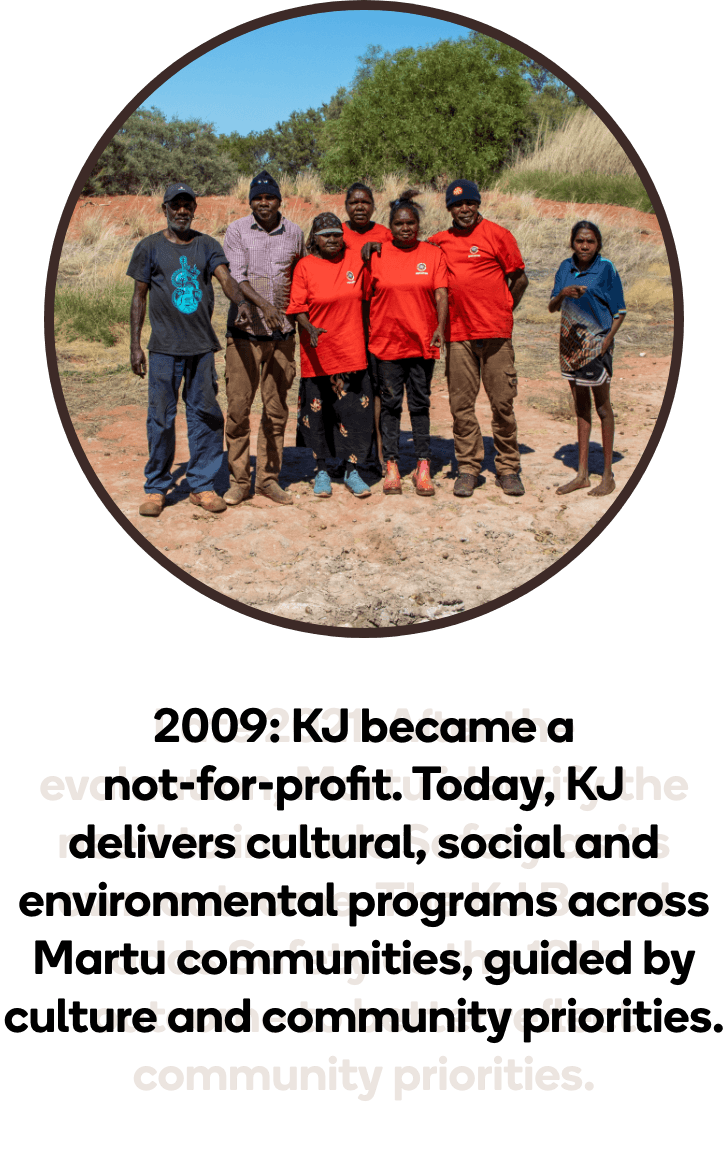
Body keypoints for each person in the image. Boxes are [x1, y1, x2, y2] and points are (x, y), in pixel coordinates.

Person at [128, 182, 253, 518]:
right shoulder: (149, 247)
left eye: (187, 205)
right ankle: (156, 487)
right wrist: (135, 345)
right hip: (163, 350)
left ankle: (201, 484)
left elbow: (224, 277)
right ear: (165, 209)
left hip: (201, 349)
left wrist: (239, 301)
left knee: (206, 417)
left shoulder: (206, 245)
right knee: (160, 419)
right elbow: (139, 297)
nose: (181, 211)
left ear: (194, 209)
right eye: (175, 205)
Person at [428, 179, 529, 498]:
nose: (464, 209)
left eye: (469, 203)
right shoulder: (438, 242)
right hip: (458, 336)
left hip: (496, 334)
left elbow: (520, 279)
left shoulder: (498, 235)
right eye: (457, 205)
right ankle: (469, 468)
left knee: (502, 403)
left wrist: (505, 307)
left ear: (478, 203)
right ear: (449, 209)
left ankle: (508, 467)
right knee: (461, 405)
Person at [222, 171, 306, 506]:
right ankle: (239, 481)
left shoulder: (295, 233)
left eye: (269, 197)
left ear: (279, 200)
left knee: (276, 410)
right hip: (245, 336)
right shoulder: (238, 230)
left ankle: (268, 480)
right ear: (250, 201)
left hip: (283, 336)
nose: (264, 203)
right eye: (258, 198)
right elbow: (236, 276)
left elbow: (300, 276)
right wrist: (265, 305)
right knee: (239, 410)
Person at [361, 190, 448, 497]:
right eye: (399, 223)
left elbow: (441, 293)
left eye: (410, 223)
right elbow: (364, 298)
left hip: (422, 342)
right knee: (390, 406)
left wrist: (440, 326)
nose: (405, 228)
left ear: (418, 225)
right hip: (386, 344)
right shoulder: (378, 254)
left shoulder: (433, 254)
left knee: (420, 404)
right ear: (391, 226)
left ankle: (423, 465)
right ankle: (392, 466)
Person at [285, 212, 374, 499]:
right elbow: (297, 306)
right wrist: (308, 327)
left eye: (337, 234)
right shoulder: (305, 267)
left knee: (354, 414)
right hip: (318, 352)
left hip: (350, 350)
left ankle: (352, 471)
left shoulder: (355, 262)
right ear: (315, 239)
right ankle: (321, 469)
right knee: (318, 413)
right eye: (326, 235)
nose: (333, 239)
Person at [549, 220, 626, 497]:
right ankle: (581, 474)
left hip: (597, 346)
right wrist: (563, 293)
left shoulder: (606, 268)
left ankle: (607, 475)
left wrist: (606, 340)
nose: (584, 246)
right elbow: (551, 306)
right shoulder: (564, 268)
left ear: (598, 244)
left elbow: (620, 310)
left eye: (590, 241)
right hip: (570, 348)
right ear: (573, 242)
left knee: (602, 407)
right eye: (580, 241)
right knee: (580, 408)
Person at [341, 182, 393, 472]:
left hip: (378, 312)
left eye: (365, 202)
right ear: (346, 206)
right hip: (345, 313)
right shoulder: (338, 232)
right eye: (354, 202)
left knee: (378, 386)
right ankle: (348, 451)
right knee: (348, 385)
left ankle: (380, 452)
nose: (359, 207)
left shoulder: (385, 234)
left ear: (374, 205)